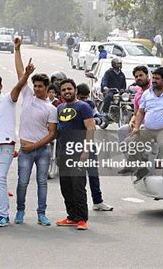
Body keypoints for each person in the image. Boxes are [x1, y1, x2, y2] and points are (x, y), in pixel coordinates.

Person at [13, 37, 57, 226]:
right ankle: (20, 212)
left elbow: (52, 134)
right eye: (35, 85)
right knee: (22, 182)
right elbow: (20, 73)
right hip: (25, 150)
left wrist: (34, 147)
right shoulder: (28, 96)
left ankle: (41, 214)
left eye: (41, 86)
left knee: (42, 182)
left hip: (42, 151)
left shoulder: (51, 109)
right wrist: (17, 50)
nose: (37, 89)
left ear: (47, 89)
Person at [0, 64, 34, 227]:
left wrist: (26, 75)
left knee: (0, 179)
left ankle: (4, 216)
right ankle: (0, 214)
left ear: (0, 86)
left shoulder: (8, 98)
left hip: (5, 145)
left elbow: (19, 86)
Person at [56, 79, 94, 230]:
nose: (67, 91)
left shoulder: (83, 107)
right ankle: (71, 216)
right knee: (65, 186)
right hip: (63, 154)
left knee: (78, 186)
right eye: (64, 89)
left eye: (69, 89)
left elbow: (91, 129)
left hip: (78, 152)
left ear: (75, 90)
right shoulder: (59, 108)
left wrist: (86, 151)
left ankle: (82, 219)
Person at [76, 83, 113, 212]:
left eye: (86, 98)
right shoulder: (69, 106)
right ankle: (78, 204)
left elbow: (99, 118)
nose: (84, 101)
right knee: (77, 178)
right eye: (81, 98)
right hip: (74, 145)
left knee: (93, 174)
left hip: (89, 144)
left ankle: (97, 201)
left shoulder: (90, 105)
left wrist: (97, 121)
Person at [117, 66, 151, 144]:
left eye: (141, 75)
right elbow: (135, 114)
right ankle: (129, 156)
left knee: (131, 141)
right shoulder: (138, 95)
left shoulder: (154, 89)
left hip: (151, 126)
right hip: (138, 125)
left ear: (147, 75)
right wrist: (131, 122)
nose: (138, 78)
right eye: (136, 76)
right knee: (121, 131)